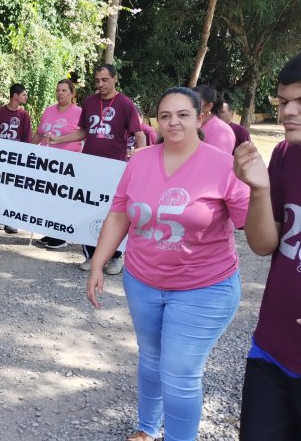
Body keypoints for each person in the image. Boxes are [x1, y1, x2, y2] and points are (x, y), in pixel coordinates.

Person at [87, 86, 249, 441]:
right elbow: (119, 213)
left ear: (200, 117)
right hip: (142, 280)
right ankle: (146, 427)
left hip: (204, 288)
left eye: (183, 114)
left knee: (179, 373)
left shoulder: (224, 166)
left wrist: (262, 188)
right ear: (155, 122)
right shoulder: (140, 161)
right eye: (165, 115)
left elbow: (254, 228)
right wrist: (99, 262)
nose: (173, 122)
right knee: (151, 358)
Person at [233, 52, 301, 440]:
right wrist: (258, 189)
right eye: (282, 100)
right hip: (272, 349)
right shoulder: (285, 154)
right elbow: (262, 245)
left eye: (300, 102)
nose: (287, 112)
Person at [47, 64, 145, 273]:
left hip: (114, 169)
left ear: (114, 79)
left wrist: (142, 158)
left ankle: (116, 257)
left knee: (114, 213)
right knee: (88, 210)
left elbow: (140, 135)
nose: (100, 84)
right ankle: (91, 256)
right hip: (89, 167)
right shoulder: (89, 103)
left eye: (105, 80)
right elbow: (83, 132)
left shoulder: (126, 104)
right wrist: (59, 139)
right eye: (97, 81)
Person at [32, 79, 83, 249]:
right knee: (48, 197)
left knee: (62, 199)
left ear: (72, 93)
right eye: (58, 90)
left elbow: (85, 135)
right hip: (47, 162)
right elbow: (39, 133)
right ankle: (50, 230)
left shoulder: (79, 112)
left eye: (64, 90)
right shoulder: (49, 110)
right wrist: (25, 151)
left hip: (68, 164)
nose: (60, 93)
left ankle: (61, 236)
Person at [0, 83, 32, 234]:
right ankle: (1, 217)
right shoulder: (0, 112)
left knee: (14, 188)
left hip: (16, 159)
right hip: (0, 157)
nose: (26, 97)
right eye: (24, 94)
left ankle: (12, 220)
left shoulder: (24, 115)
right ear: (15, 96)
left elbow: (27, 140)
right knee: (1, 187)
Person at [194, 85, 235, 154]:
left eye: (194, 102)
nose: (188, 105)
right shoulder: (189, 124)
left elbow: (218, 162)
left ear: (208, 106)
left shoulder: (222, 131)